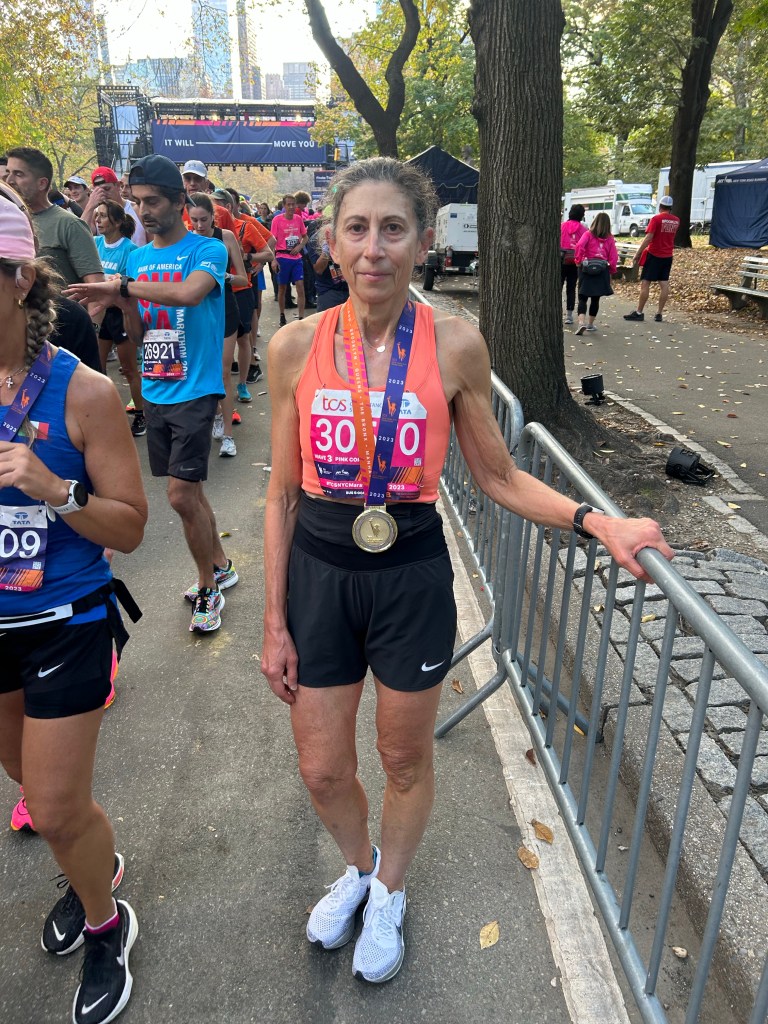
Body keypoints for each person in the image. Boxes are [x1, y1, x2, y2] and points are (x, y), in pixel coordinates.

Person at [261, 157, 674, 984]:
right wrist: (274, 621)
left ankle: (391, 889)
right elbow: (279, 494)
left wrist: (600, 522)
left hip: (410, 574)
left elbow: (498, 475)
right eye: (356, 228)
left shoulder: (453, 344)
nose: (373, 247)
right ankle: (358, 868)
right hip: (319, 575)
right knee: (322, 767)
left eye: (393, 229)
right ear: (331, 243)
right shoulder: (295, 346)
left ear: (423, 243)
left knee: (403, 758)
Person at [0, 194, 147, 1024]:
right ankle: (90, 861)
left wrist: (56, 490)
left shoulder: (82, 393)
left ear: (22, 280)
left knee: (53, 808)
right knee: (29, 783)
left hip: (65, 621)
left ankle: (105, 923)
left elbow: (129, 526)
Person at [65, 154, 238, 633]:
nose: (144, 211)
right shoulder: (138, 259)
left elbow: (189, 294)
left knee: (179, 495)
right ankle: (221, 563)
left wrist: (124, 286)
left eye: (154, 201)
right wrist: (124, 304)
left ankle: (207, 588)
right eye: (138, 202)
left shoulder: (208, 249)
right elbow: (140, 335)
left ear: (180, 201)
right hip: (157, 389)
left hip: (197, 389)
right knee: (190, 493)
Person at [188, 192, 249, 458]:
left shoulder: (225, 237)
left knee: (224, 372)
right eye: (194, 220)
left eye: (204, 219)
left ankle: (228, 436)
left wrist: (224, 276)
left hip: (224, 309)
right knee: (202, 370)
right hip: (197, 313)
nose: (199, 225)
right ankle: (212, 417)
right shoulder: (186, 241)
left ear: (213, 217)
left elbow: (243, 278)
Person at [5, 148, 104, 289]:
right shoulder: (7, 222)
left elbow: (96, 287)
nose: (9, 180)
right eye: (8, 173)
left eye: (18, 174)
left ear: (42, 183)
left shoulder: (70, 224)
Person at [93, 200, 145, 434]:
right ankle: (104, 413)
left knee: (129, 369)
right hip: (100, 313)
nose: (98, 220)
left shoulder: (130, 249)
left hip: (121, 313)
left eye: (103, 216)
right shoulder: (95, 243)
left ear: (116, 221)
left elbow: (132, 287)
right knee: (96, 367)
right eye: (96, 215)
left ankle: (141, 415)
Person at [624, 195, 680, 323]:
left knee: (645, 283)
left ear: (660, 206)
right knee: (664, 284)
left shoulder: (656, 219)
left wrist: (638, 253)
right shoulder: (676, 220)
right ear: (671, 207)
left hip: (654, 254)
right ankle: (659, 313)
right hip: (668, 255)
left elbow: (649, 237)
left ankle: (639, 312)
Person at [572, 212, 617, 336]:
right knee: (595, 299)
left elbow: (579, 246)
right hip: (601, 269)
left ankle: (581, 322)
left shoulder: (588, 234)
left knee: (582, 296)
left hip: (586, 268)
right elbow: (613, 256)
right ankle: (590, 324)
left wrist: (578, 260)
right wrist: (612, 270)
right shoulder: (610, 238)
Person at [270, 194, 308, 326]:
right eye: (288, 204)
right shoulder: (277, 220)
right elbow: (272, 241)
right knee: (282, 288)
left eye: (293, 204)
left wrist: (300, 246)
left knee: (300, 286)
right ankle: (282, 315)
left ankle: (301, 318)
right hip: (282, 257)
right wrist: (273, 259)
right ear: (284, 206)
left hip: (296, 258)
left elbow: (305, 237)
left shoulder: (298, 219)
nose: (291, 207)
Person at [560, 203, 587, 325]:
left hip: (562, 260)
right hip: (576, 262)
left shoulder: (562, 226)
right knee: (571, 288)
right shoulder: (584, 230)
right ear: (582, 215)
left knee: (558, 286)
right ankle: (569, 315)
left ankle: (556, 311)